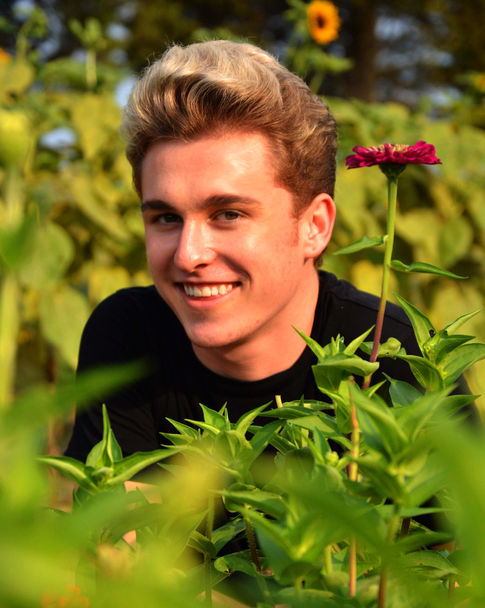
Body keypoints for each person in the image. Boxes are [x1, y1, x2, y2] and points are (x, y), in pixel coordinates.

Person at [65, 40, 422, 462]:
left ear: (315, 226)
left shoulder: (393, 355)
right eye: (166, 218)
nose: (187, 255)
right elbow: (110, 506)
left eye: (228, 214)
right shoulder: (128, 338)